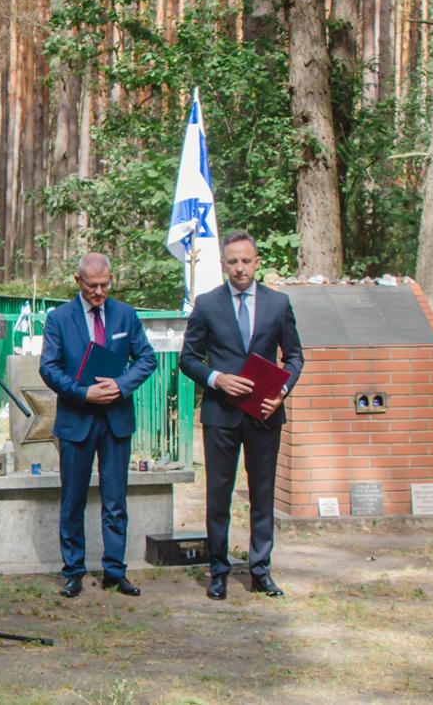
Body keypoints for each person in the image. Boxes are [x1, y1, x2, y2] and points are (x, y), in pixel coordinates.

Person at [179, 231, 303, 599]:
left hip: (264, 414)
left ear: (257, 262)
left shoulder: (278, 304)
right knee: (219, 494)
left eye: (246, 261)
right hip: (221, 415)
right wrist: (217, 379)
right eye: (232, 261)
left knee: (262, 493)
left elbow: (294, 357)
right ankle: (218, 569)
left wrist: (281, 393)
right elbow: (188, 359)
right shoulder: (207, 304)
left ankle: (260, 570)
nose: (239, 268)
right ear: (223, 265)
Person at [38, 253, 157, 597]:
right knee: (72, 499)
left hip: (116, 420)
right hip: (77, 419)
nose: (99, 292)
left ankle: (115, 570)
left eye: (105, 285)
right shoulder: (59, 318)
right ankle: (73, 570)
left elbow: (146, 358)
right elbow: (49, 368)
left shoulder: (126, 314)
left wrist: (122, 385)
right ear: (78, 282)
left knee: (116, 499)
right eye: (92, 286)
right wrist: (82, 393)